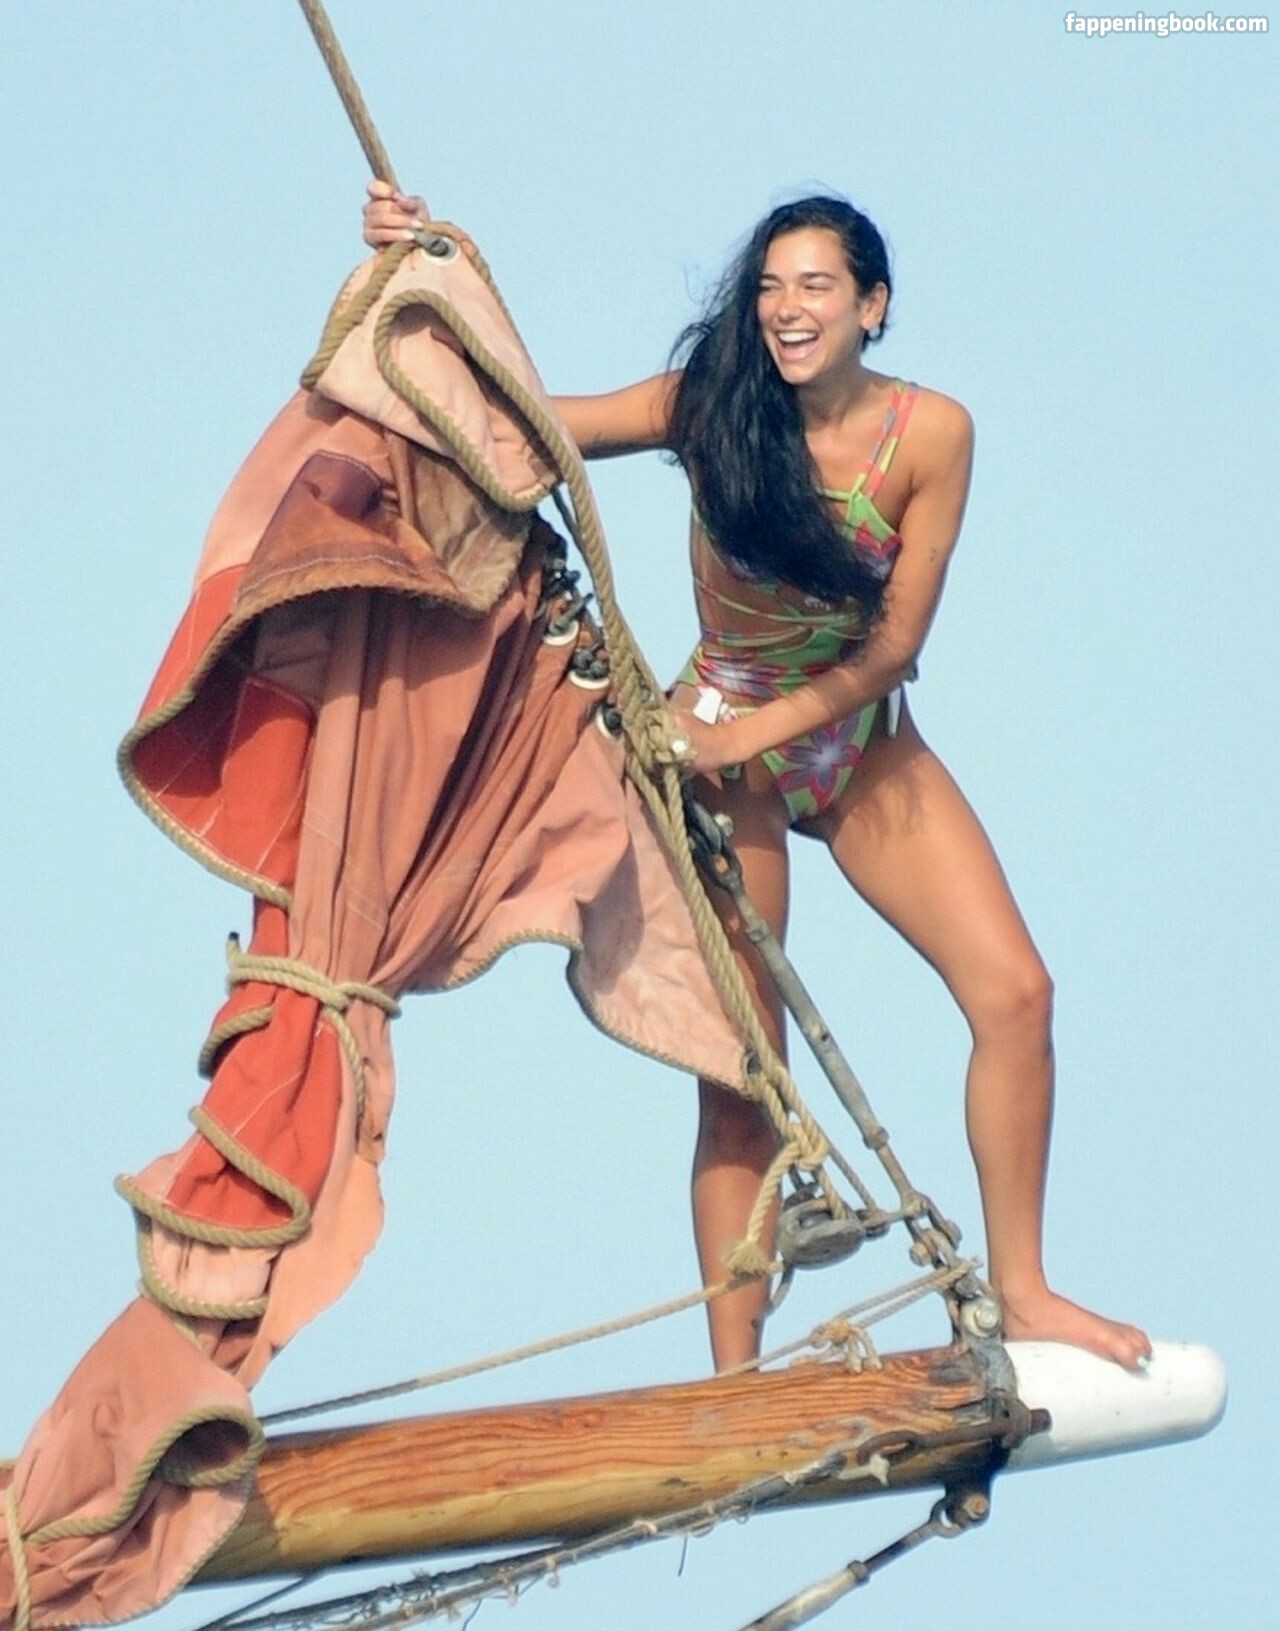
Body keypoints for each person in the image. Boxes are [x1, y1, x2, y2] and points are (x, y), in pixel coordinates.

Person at [364, 182, 1151, 1373]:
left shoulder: (931, 434)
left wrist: (756, 735)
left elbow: (893, 648)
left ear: (871, 306)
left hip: (852, 735)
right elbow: (527, 421)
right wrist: (423, 275)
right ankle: (733, 1375)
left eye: (815, 286)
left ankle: (1025, 1287)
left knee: (1017, 995)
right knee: (744, 1068)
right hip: (717, 743)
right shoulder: (708, 408)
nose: (786, 307)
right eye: (770, 286)